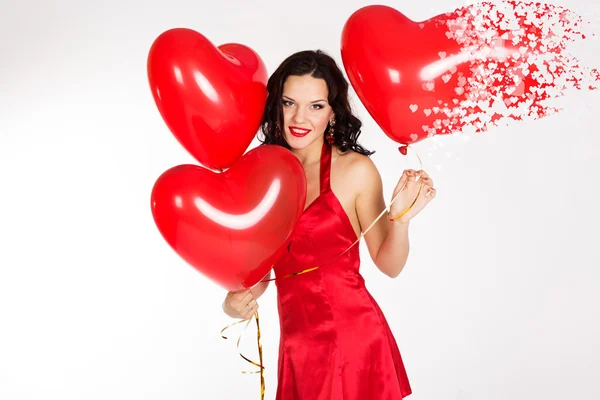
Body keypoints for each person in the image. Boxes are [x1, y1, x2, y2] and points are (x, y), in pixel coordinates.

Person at [222, 50, 436, 399]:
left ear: (334, 111)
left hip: (353, 341)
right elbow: (258, 274)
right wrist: (233, 301)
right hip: (296, 347)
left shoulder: (354, 170)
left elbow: (389, 265)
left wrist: (401, 219)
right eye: (289, 102)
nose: (299, 117)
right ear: (276, 104)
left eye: (316, 106)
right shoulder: (259, 173)